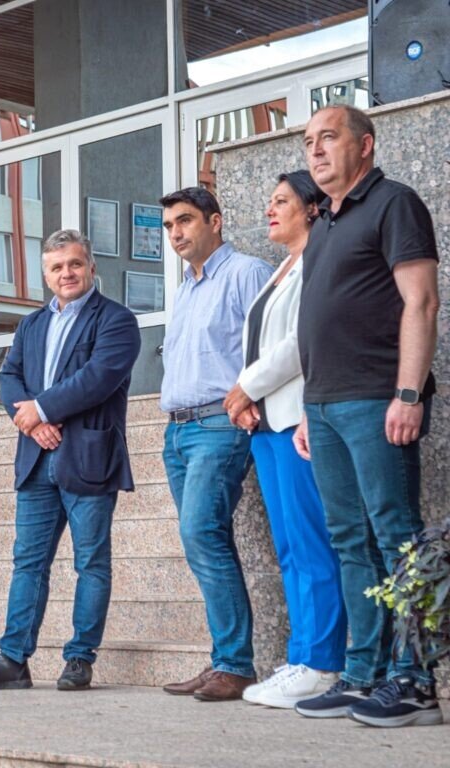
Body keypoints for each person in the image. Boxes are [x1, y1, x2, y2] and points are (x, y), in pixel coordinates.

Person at [292, 105, 442, 727]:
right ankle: (364, 674)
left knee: (397, 537)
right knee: (350, 541)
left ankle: (414, 681)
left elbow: (422, 301)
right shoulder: (324, 222)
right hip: (325, 405)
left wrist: (408, 393)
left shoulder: (394, 203)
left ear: (365, 145)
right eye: (308, 141)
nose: (315, 150)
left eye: (328, 137)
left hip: (377, 400)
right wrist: (309, 407)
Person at [0, 229, 140, 692]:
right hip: (37, 459)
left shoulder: (116, 320)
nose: (67, 273)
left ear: (91, 267)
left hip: (88, 457)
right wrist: (32, 423)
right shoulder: (31, 325)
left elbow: (98, 378)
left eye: (75, 264)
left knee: (91, 563)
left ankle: (80, 658)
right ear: (46, 275)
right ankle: (13, 659)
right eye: (57, 267)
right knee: (28, 563)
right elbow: (10, 376)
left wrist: (41, 409)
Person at [223, 170, 347, 709]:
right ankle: (301, 656)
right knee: (291, 546)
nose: (269, 210)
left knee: (312, 542)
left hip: (300, 421)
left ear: (313, 208)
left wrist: (245, 387)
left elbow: (303, 341)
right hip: (268, 425)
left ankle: (323, 663)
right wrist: (250, 399)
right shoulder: (282, 268)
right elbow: (260, 342)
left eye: (281, 201)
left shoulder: (319, 259)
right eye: (269, 202)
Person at [158, 187, 273, 702]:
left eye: (184, 221)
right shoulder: (185, 287)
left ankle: (235, 664)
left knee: (200, 531)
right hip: (179, 431)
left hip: (218, 425)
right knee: (203, 539)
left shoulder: (246, 272)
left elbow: (272, 344)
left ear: (215, 221)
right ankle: (224, 658)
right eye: (168, 226)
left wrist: (247, 396)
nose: (175, 233)